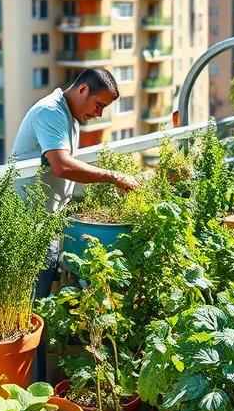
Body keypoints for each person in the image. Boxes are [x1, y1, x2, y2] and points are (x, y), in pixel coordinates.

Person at [9, 67, 140, 302]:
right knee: (29, 306)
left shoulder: (70, 115)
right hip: (26, 225)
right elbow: (62, 166)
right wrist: (115, 177)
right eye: (99, 105)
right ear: (83, 89)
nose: (99, 114)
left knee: (40, 301)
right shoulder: (50, 112)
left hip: (43, 223)